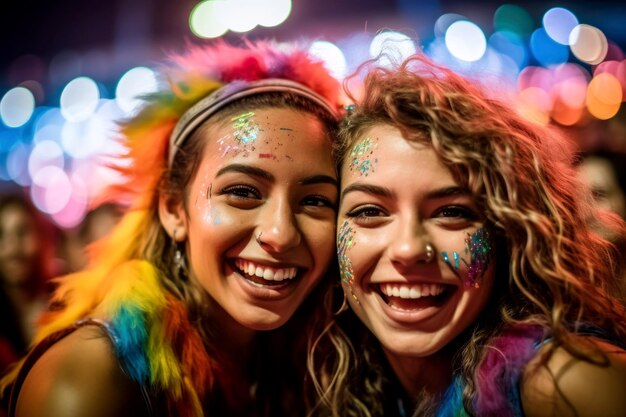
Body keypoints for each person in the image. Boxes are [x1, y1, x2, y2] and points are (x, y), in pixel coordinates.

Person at [1, 40, 343, 417]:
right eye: (243, 192)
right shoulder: (91, 376)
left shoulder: (323, 363)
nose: (281, 234)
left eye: (315, 201)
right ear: (173, 209)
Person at [308, 55, 626, 417]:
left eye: (452, 213)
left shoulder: (566, 380)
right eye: (370, 211)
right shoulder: (333, 383)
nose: (409, 249)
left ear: (509, 231)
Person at [0, 193, 56, 374]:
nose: (12, 248)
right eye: (1, 235)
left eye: (22, 232)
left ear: (40, 236)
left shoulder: (64, 302)